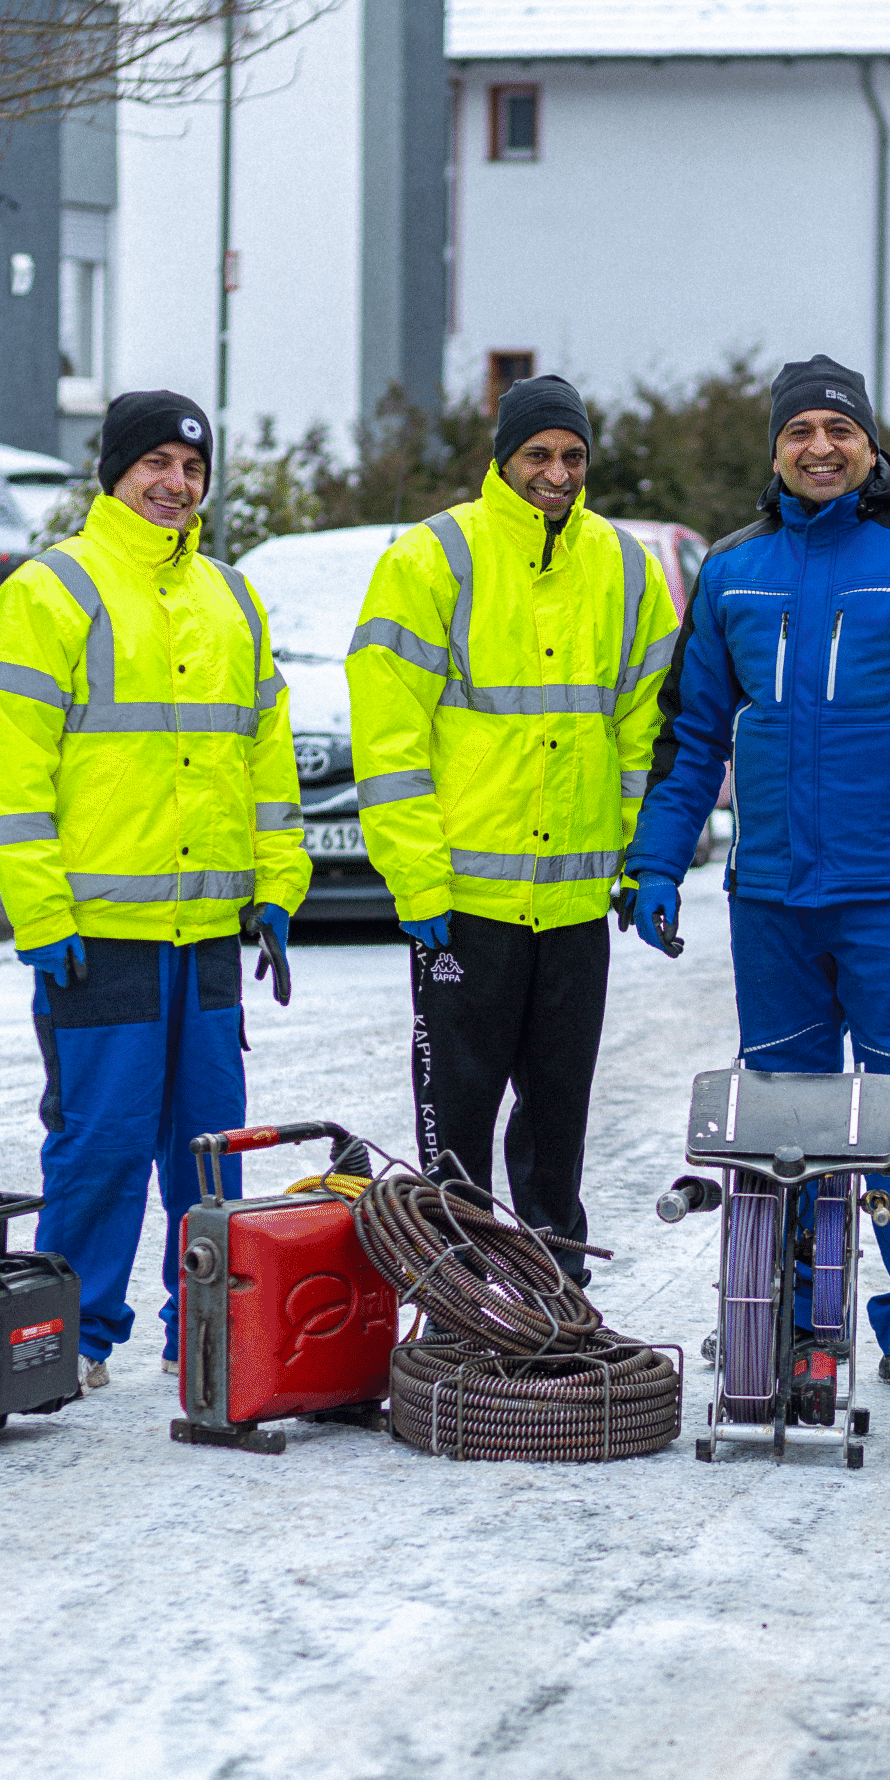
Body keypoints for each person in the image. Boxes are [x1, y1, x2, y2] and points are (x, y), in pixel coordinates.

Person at [622, 353, 890, 1383]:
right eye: (799, 433)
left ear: (869, 444)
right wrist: (656, 864)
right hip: (771, 903)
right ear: (775, 448)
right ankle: (800, 1333)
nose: (820, 449)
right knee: (786, 1137)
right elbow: (691, 737)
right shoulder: (732, 569)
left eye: (839, 431)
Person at [0, 390, 309, 1387]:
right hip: (99, 932)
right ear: (113, 472)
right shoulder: (51, 592)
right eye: (156, 462)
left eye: (193, 468)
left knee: (212, 1151)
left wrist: (278, 886)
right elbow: (12, 773)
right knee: (104, 1145)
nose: (176, 484)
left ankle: (202, 1330)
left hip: (205, 931)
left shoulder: (231, 598)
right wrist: (39, 910)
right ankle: (74, 1335)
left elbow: (266, 758)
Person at [347, 373, 677, 1269]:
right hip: (464, 904)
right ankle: (460, 1297)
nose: (557, 472)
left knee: (558, 1120)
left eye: (573, 456)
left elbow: (642, 727)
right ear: (503, 458)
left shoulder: (624, 566)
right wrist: (414, 878)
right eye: (538, 453)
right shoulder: (431, 559)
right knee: (457, 1127)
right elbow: (388, 738)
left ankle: (551, 1290)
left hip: (573, 906)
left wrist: (636, 859)